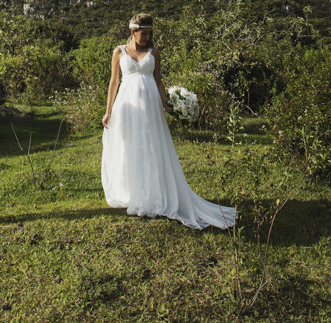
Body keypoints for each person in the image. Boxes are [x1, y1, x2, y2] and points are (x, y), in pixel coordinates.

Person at [101, 13, 236, 230]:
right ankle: (133, 192)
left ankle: (154, 194)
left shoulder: (154, 52)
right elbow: (114, 82)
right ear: (133, 31)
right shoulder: (119, 52)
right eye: (143, 33)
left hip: (150, 105)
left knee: (151, 146)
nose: (147, 37)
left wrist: (168, 104)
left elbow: (159, 81)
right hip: (126, 106)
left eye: (149, 33)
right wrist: (108, 112)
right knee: (130, 148)